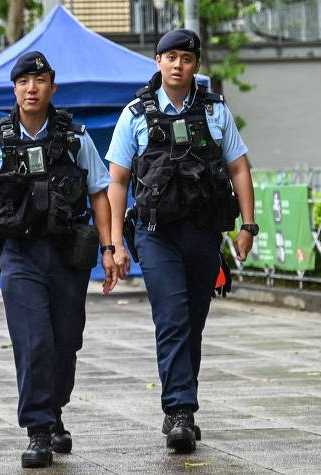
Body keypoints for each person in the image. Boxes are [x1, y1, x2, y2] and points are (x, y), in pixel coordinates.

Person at [105, 29, 258, 453]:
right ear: (157, 62)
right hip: (156, 235)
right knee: (171, 317)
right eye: (169, 57)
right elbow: (117, 181)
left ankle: (181, 405)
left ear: (196, 65)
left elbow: (240, 168)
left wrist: (248, 226)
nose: (177, 64)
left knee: (193, 321)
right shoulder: (135, 113)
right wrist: (116, 243)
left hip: (203, 232)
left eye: (186, 58)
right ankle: (179, 412)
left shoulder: (214, 111)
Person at [0, 51, 118, 468]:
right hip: (18, 256)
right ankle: (37, 430)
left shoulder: (74, 138)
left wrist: (109, 249)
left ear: (52, 86)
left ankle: (54, 412)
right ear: (14, 89)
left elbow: (99, 193)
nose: (31, 89)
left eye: (39, 81)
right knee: (33, 341)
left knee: (65, 341)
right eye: (23, 82)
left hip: (67, 253)